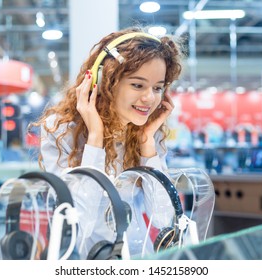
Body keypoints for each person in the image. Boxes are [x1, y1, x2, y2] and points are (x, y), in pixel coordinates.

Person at [31, 27, 184, 258]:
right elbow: (78, 224)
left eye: (157, 88)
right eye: (138, 85)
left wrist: (146, 144)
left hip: (136, 257)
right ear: (105, 82)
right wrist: (95, 138)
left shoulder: (149, 134)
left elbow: (163, 219)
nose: (150, 98)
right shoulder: (61, 129)